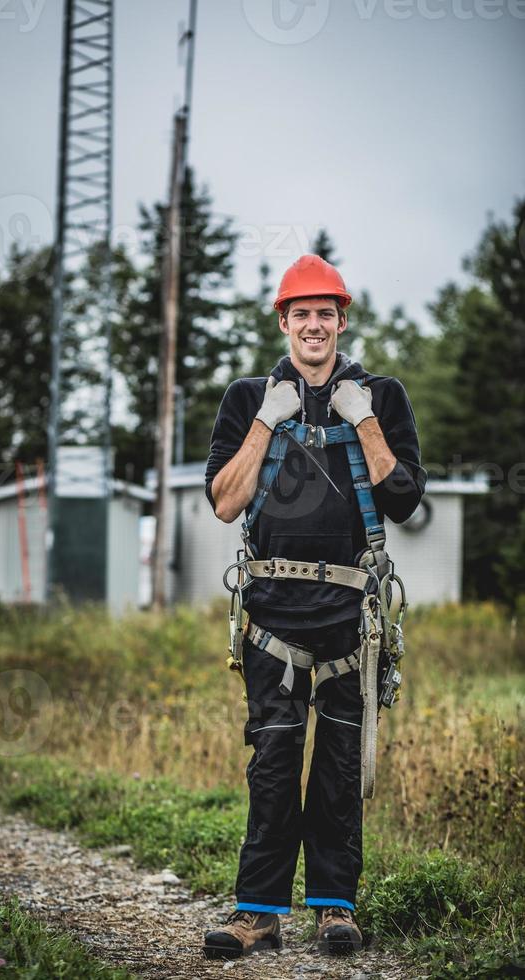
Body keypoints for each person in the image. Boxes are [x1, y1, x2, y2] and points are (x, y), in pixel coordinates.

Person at [202, 254, 426, 960]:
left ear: (342, 320)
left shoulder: (381, 395)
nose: (314, 325)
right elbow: (225, 501)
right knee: (271, 765)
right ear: (284, 321)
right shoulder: (247, 397)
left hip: (350, 619)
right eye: (301, 313)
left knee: (336, 770)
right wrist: (268, 420)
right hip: (270, 612)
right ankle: (256, 914)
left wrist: (364, 422)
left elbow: (404, 499)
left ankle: (335, 908)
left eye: (326, 313)